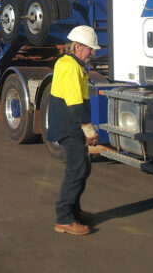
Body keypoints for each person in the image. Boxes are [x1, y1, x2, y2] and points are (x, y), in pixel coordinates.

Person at [48, 25, 100, 236]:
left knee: (82, 169)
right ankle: (64, 219)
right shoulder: (69, 66)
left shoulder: (75, 64)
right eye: (90, 48)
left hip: (71, 125)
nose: (93, 53)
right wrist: (87, 129)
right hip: (69, 126)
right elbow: (74, 102)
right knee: (77, 170)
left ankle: (73, 211)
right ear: (78, 47)